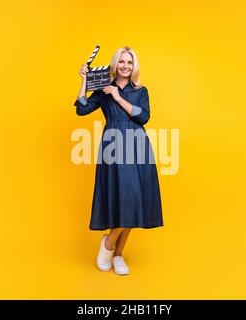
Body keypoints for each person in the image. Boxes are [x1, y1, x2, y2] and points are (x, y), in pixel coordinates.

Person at [74, 46, 163, 275]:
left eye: (129, 62)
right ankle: (113, 249)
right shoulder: (104, 88)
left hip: (137, 145)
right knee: (122, 198)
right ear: (116, 64)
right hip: (113, 147)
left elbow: (143, 116)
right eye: (122, 61)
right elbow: (82, 110)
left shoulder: (141, 90)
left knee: (136, 199)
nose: (125, 66)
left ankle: (114, 249)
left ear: (134, 66)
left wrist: (118, 97)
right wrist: (84, 81)